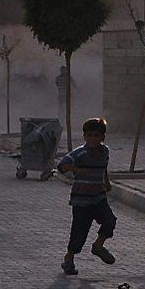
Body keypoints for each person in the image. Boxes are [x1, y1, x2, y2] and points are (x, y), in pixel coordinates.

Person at [56, 117, 116, 275]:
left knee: (110, 221)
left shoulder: (105, 151)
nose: (93, 139)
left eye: (96, 135)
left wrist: (106, 182)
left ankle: (98, 246)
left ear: (103, 137)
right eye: (89, 135)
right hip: (81, 200)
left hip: (98, 197)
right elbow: (62, 165)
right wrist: (78, 170)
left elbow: (104, 167)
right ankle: (68, 259)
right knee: (79, 231)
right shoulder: (79, 153)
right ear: (84, 136)